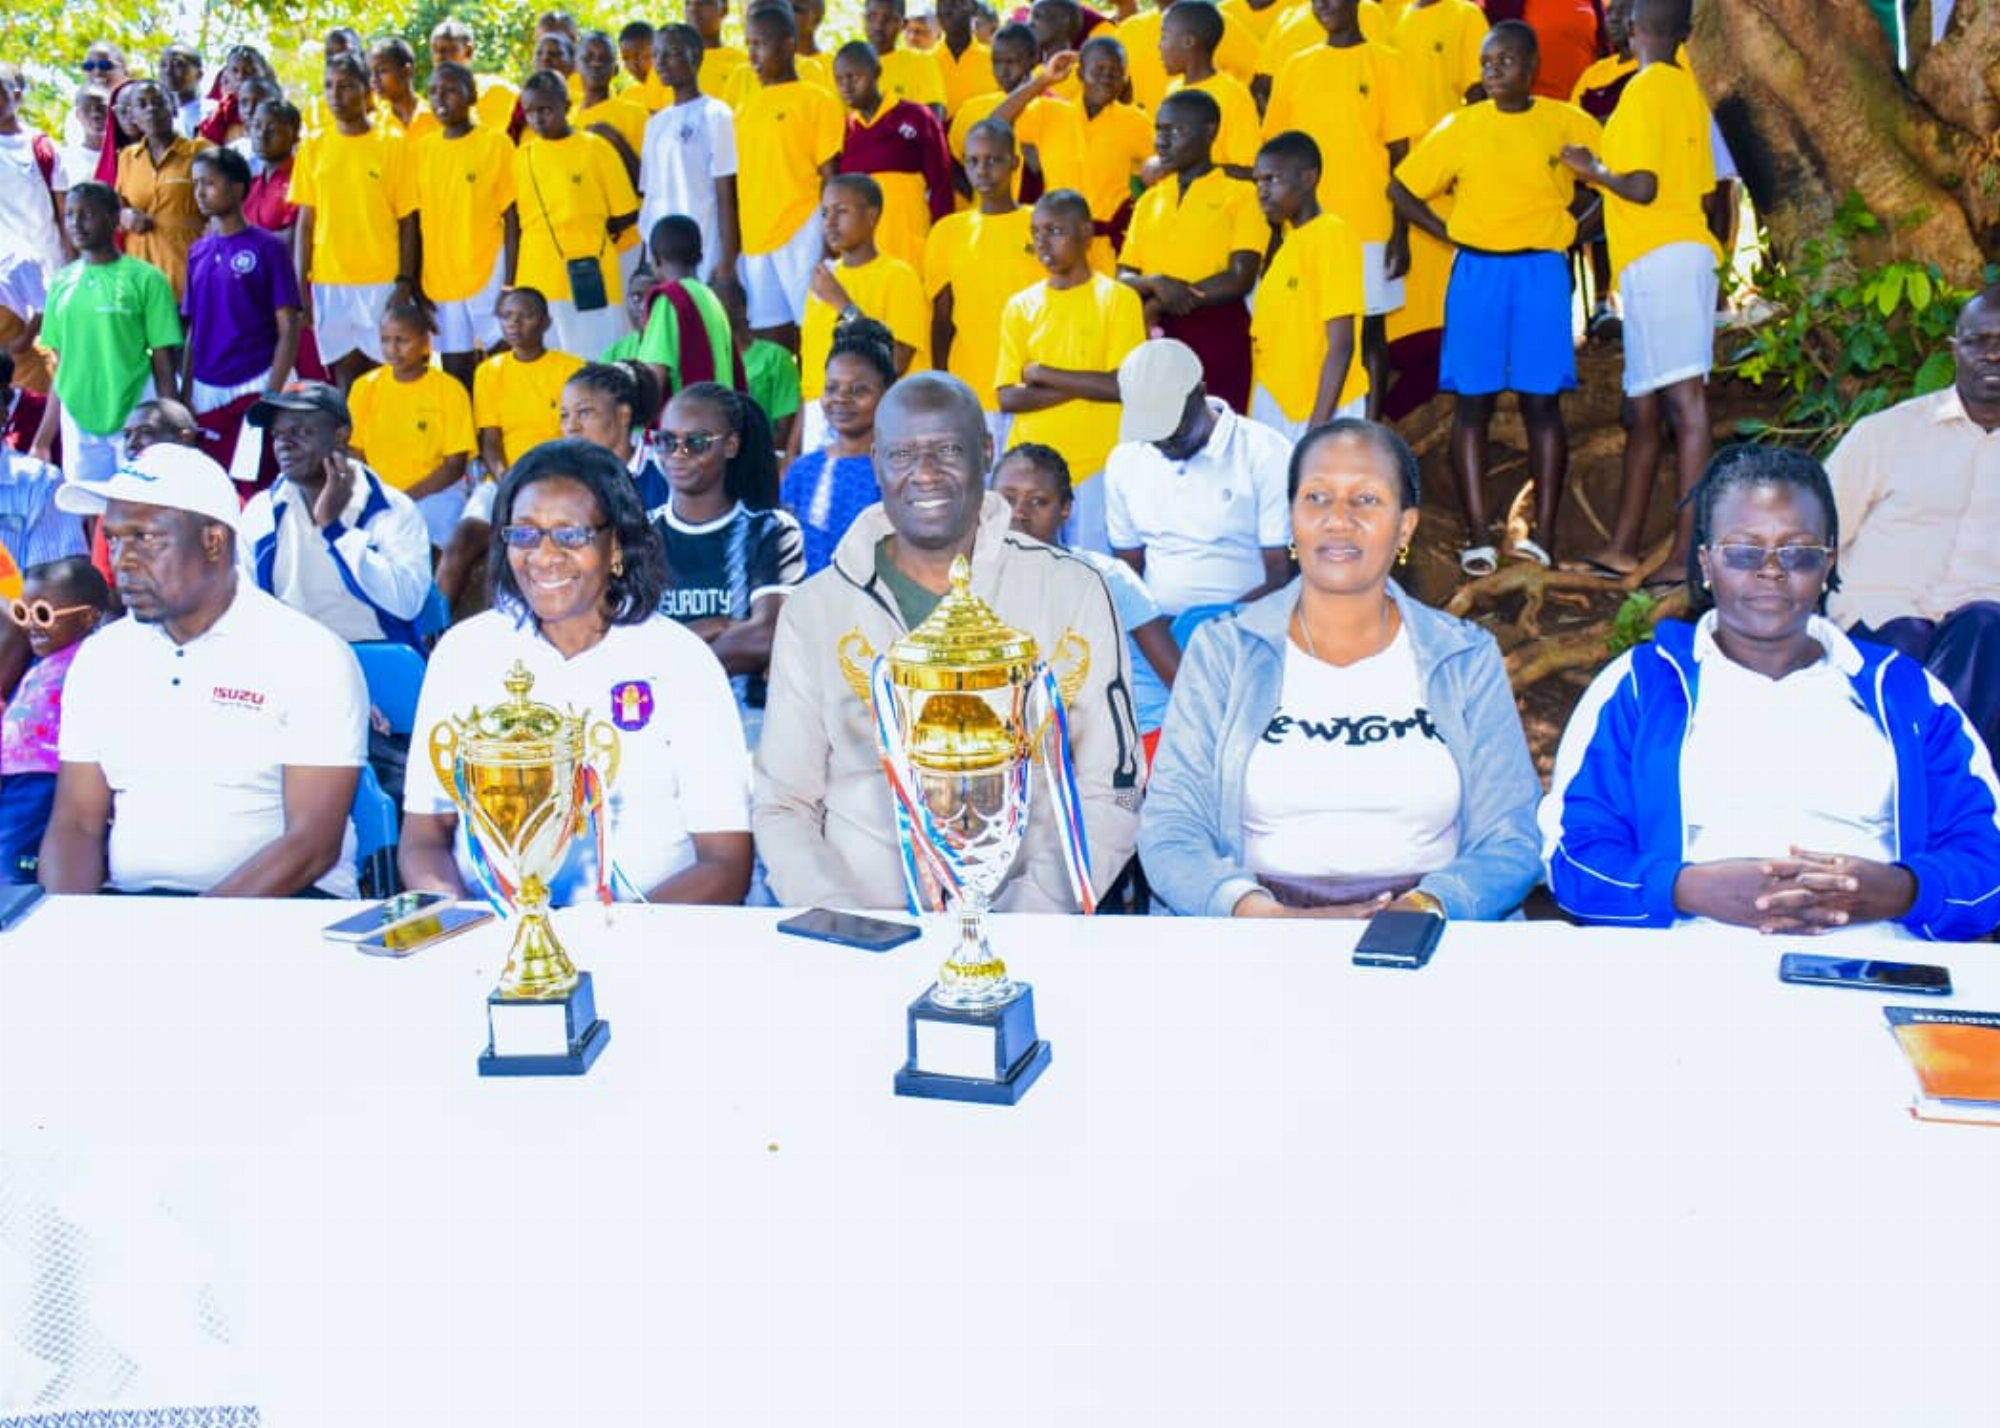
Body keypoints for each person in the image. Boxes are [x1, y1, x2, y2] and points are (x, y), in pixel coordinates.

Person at [1541, 444, 2000, 942]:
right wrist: (1684, 889)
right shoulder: (1641, 686)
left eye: (1799, 553)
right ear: (1706, 562)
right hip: (1684, 970)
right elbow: (1574, 856)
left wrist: (1903, 891)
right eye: (1743, 551)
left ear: (1827, 564)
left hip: (1877, 967)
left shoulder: (1905, 693)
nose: (1772, 569)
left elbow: (1985, 857)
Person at [754, 370, 1141, 911]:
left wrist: (1031, 919)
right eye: (904, 454)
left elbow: (1114, 786)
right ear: (876, 464)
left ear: (986, 452)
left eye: (947, 450)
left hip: (1033, 927)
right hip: (864, 932)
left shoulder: (1070, 589)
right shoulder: (815, 609)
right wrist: (844, 926)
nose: (926, 474)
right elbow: (784, 805)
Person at [1141, 418, 1543, 919]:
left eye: (1367, 499)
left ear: (1405, 526)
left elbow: (1512, 835)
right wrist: (1263, 916)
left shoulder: (1463, 657)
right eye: (1317, 497)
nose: (1339, 518)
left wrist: (1423, 909)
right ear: (1290, 519)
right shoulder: (1225, 651)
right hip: (1254, 931)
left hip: (1429, 928)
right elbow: (1171, 827)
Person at [400, 439, 755, 906]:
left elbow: (725, 863)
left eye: (571, 535)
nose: (544, 555)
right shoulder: (464, 653)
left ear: (616, 547)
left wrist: (605, 938)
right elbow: (424, 839)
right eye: (524, 533)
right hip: (492, 942)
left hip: (644, 944)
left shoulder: (680, 662)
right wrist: (466, 922)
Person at [44, 442, 368, 897]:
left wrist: (192, 939)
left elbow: (312, 845)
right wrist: (70, 932)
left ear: (214, 540)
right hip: (133, 915)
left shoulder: (308, 655)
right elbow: (75, 823)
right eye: (115, 538)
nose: (123, 561)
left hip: (282, 911)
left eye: (146, 537)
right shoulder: (101, 658)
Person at [1389, 21, 1601, 574]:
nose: (1493, 69)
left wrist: (1577, 227)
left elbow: (1614, 179)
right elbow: (1402, 186)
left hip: (1540, 273)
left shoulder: (1565, 123)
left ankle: (1546, 536)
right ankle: (1477, 535)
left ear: (1531, 66)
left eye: (1505, 60)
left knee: (1541, 404)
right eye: (1486, 61)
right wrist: (1447, 232)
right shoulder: (1461, 127)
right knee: (1473, 403)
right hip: (1477, 273)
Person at [1558, 0, 1720, 588]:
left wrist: (1590, 167)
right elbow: (1696, 190)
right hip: (1661, 261)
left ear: (1629, 27)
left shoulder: (1649, 89)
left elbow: (1643, 187)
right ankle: (1624, 546)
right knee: (1644, 409)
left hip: (1667, 261)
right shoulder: (1684, 90)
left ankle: (1686, 556)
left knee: (1686, 406)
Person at [1823, 287, 2000, 767]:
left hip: (1984, 630)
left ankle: (1917, 778)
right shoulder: (1888, 433)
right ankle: (1944, 782)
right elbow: (1816, 535)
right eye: (1978, 340)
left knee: (1985, 626)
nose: (1992, 353)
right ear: (1954, 348)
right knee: (1905, 642)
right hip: (1882, 616)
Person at [1261, 0, 1422, 416]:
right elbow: (1274, 154)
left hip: (1369, 225)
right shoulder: (1296, 66)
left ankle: (1368, 426)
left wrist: (1400, 232)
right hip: (1304, 228)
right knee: (1308, 332)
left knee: (1369, 332)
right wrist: (1276, 234)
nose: (1325, 5)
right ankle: (1314, 420)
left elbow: (1400, 155)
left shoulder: (1388, 63)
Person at [996, 441, 1178, 751]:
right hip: (1053, 748)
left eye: (1038, 501)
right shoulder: (978, 583)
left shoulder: (1107, 577)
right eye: (1006, 500)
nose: (1019, 514)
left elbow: (1177, 679)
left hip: (1140, 740)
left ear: (1065, 509)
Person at [996, 188, 1146, 553]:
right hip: (1033, 472)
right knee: (1030, 573)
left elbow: (1122, 386)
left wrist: (1042, 372)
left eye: (1056, 231)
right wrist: (1089, 380)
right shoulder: (1020, 305)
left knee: (1094, 574)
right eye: (1036, 232)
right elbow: (1007, 397)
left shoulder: (1117, 299)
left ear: (1085, 233)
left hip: (1098, 464)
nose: (1043, 243)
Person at [1108, 335, 1294, 615]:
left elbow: (1282, 576)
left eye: (1174, 428)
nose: (1164, 442)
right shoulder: (1126, 459)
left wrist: (1213, 628)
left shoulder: (1265, 451)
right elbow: (1128, 571)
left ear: (1200, 394)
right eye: (1153, 433)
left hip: (1246, 623)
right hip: (1155, 627)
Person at [653, 381, 805, 725]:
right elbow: (623, 641)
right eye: (666, 442)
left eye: (696, 443)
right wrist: (720, 626)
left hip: (745, 722)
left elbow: (766, 635)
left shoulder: (769, 530)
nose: (678, 455)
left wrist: (664, 671)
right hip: (655, 725)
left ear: (731, 445)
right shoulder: (640, 535)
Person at [236, 381, 432, 645]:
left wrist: (336, 531)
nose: (284, 444)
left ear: (341, 436)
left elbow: (407, 603)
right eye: (277, 434)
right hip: (291, 659)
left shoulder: (392, 509)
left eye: (300, 431)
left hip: (374, 658)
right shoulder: (263, 510)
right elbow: (244, 601)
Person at [1118, 88, 1260, 414]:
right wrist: (1156, 283)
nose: (1162, 142)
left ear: (1209, 132)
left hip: (1218, 334)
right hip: (1157, 339)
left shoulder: (1240, 195)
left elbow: (1240, 277)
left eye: (1175, 131)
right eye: (1159, 130)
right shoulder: (1150, 200)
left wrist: (1164, 298)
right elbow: (1124, 276)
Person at [30, 183, 182, 486]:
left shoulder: (147, 279)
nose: (76, 222)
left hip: (137, 415)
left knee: (140, 501)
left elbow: (164, 363)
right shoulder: (61, 283)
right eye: (71, 214)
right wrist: (42, 439)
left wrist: (174, 425)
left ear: (114, 219)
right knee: (87, 507)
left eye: (88, 214)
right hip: (79, 419)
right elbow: (61, 367)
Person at [291, 52, 418, 388]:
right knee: (345, 377)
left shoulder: (392, 144)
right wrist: (299, 284)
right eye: (329, 86)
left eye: (346, 86)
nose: (335, 94)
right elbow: (306, 221)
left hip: (381, 278)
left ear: (367, 91)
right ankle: (351, 441)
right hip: (330, 280)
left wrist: (404, 281)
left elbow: (408, 220)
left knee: (388, 376)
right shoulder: (314, 146)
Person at [180, 146, 300, 486]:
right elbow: (194, 327)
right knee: (215, 485)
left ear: (236, 188)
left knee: (262, 483)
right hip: (207, 387)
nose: (200, 192)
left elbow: (289, 326)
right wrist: (186, 390)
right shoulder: (197, 251)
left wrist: (272, 394)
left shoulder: (268, 247)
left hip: (258, 379)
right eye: (196, 183)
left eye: (209, 183)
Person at [923, 118, 1042, 448]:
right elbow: (942, 319)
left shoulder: (1039, 223)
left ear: (1014, 162)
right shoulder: (948, 231)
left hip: (1029, 392)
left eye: (994, 160)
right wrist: (941, 384)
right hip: (969, 392)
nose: (983, 170)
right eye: (973, 161)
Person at [735, 4, 845, 352]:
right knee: (770, 338)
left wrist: (829, 243)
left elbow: (831, 176)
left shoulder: (817, 100)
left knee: (816, 327)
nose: (753, 54)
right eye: (748, 43)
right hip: (755, 237)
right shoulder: (744, 108)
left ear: (788, 44)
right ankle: (783, 406)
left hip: (803, 227)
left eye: (761, 44)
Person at [512, 69, 641, 360]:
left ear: (566, 106)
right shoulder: (521, 156)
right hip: (539, 274)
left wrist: (588, 229)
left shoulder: (596, 148)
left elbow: (625, 212)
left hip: (591, 273)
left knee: (600, 361)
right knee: (550, 363)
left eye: (545, 110)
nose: (538, 119)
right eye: (530, 112)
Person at [796, 174, 927, 456]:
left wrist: (843, 305)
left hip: (875, 424)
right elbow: (810, 383)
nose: (830, 222)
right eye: (825, 212)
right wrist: (794, 451)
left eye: (841, 211)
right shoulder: (823, 280)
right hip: (819, 424)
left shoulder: (898, 276)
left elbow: (897, 360)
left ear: (872, 215)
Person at [1250, 131, 1367, 442]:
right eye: (1257, 181)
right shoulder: (1288, 245)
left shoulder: (1331, 235)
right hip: (1278, 406)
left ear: (1308, 178)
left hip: (1324, 411)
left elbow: (1341, 344)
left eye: (1272, 179)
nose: (1262, 191)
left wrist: (1317, 431)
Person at [0, 557, 109, 883]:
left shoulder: (91, 657)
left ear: (88, 617)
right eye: (23, 613)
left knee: (13, 867)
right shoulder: (38, 662)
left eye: (44, 615)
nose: (32, 624)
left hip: (48, 782)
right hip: (15, 779)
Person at [415, 62, 518, 389]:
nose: (440, 99)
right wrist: (417, 285)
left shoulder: (496, 143)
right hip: (441, 279)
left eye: (449, 90)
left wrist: (509, 285)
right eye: (433, 91)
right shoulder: (423, 150)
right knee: (456, 373)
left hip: (488, 270)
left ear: (471, 95)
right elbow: (414, 221)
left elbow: (513, 218)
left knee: (503, 360)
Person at [346, 304, 476, 548]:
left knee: (427, 544)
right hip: (379, 493)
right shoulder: (365, 388)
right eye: (385, 340)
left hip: (436, 493)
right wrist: (376, 494)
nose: (392, 349)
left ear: (425, 342)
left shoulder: (449, 390)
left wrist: (404, 498)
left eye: (402, 340)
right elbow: (356, 453)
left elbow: (454, 466)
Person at [781, 318, 892, 572]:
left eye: (858, 390)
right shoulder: (803, 471)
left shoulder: (895, 472)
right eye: (832, 388)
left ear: (887, 394)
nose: (841, 399)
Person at [834, 42, 955, 272]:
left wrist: (941, 247)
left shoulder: (916, 116)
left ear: (876, 72)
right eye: (840, 80)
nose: (846, 86)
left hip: (910, 249)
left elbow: (941, 184)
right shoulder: (846, 131)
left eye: (854, 77)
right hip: (862, 257)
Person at [637, 24, 740, 289]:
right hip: (662, 254)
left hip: (704, 246)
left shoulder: (716, 114)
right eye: (656, 54)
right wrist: (646, 259)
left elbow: (726, 192)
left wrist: (727, 260)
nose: (660, 62)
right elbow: (650, 198)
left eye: (670, 53)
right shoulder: (656, 124)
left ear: (695, 56)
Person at [476, 289, 585, 488]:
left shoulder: (572, 369)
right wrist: (507, 482)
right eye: (507, 316)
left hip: (560, 476)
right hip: (506, 478)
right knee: (471, 520)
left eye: (526, 316)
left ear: (546, 323)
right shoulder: (488, 371)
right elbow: (490, 442)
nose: (514, 323)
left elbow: (581, 437)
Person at [633, 215, 741, 399]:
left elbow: (653, 376)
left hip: (687, 421)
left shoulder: (668, 300)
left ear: (656, 260)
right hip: (720, 416)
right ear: (700, 256)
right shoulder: (711, 298)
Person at [1073, 36, 1151, 274]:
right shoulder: (1052, 114)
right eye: (1098, 70)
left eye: (1116, 72)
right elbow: (998, 122)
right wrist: (1044, 80)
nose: (1107, 77)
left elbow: (1166, 165)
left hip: (1109, 248)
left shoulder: (1136, 121)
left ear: (1125, 78)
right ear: (1080, 73)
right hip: (1058, 246)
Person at [1159, 1, 1258, 175]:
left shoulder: (1233, 95)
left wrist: (1181, 167)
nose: (1159, 45)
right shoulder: (1172, 90)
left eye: (1164, 37)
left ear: (1188, 42)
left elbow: (1249, 170)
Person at [0, 64, 67, 288]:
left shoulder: (43, 148)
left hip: (49, 273)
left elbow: (64, 214)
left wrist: (72, 268)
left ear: (16, 97)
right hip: (6, 281)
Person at [428, 18, 520, 134]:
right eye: (435, 50)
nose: (439, 57)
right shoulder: (432, 102)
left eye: (448, 49)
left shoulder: (497, 90)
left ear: (468, 51)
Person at [864, 0, 949, 113]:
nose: (878, 25)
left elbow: (933, 120)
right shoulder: (846, 63)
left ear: (903, 24)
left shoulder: (921, 63)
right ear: (863, 19)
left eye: (888, 18)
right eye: (872, 16)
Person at [934, 0, 997, 118]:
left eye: (957, 2)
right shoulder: (926, 62)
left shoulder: (994, 60)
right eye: (942, 3)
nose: (948, 9)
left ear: (973, 8)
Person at [369, 38, 434, 142]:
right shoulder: (375, 122)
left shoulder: (435, 117)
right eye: (371, 72)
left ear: (406, 72)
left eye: (382, 71)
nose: (374, 79)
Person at [686, 0, 751, 102]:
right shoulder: (666, 63)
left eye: (703, 3)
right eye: (688, 3)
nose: (693, 9)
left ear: (724, 10)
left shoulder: (745, 63)